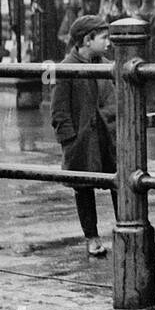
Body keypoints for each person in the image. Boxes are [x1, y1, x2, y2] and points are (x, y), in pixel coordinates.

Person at [51, 15, 118, 258]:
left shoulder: (108, 65)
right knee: (84, 189)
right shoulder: (66, 67)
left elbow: (115, 97)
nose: (109, 42)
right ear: (87, 40)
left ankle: (127, 230)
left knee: (120, 185)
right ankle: (92, 237)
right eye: (104, 38)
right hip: (82, 140)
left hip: (108, 136)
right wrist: (69, 141)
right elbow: (59, 111)